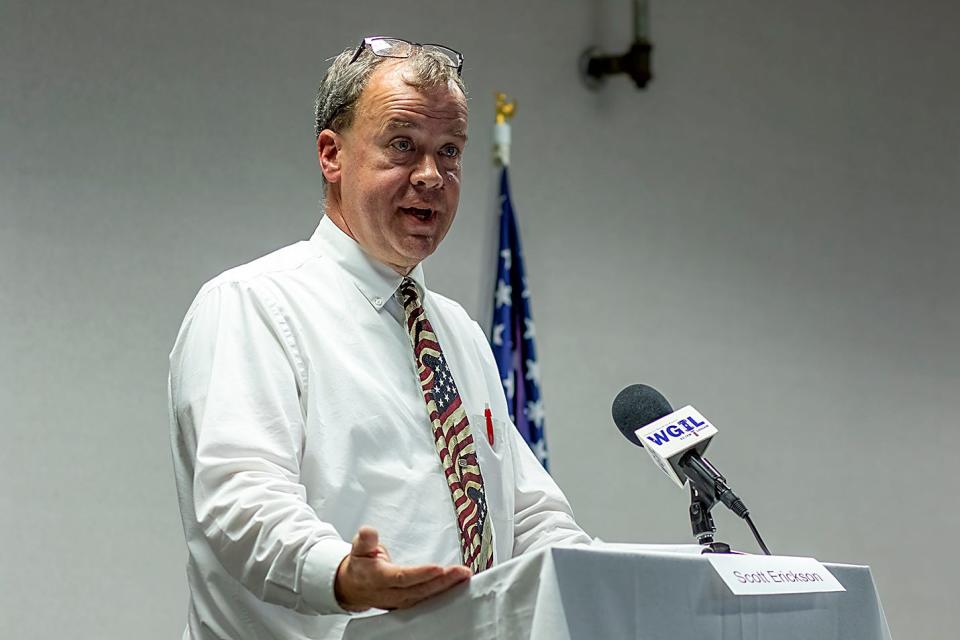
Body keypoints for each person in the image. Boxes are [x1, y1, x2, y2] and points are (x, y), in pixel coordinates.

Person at [168, 36, 591, 640]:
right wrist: (340, 574)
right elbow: (241, 502)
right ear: (331, 155)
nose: (431, 176)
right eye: (402, 146)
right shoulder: (253, 306)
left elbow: (527, 512)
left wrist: (598, 580)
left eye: (450, 152)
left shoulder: (460, 335)